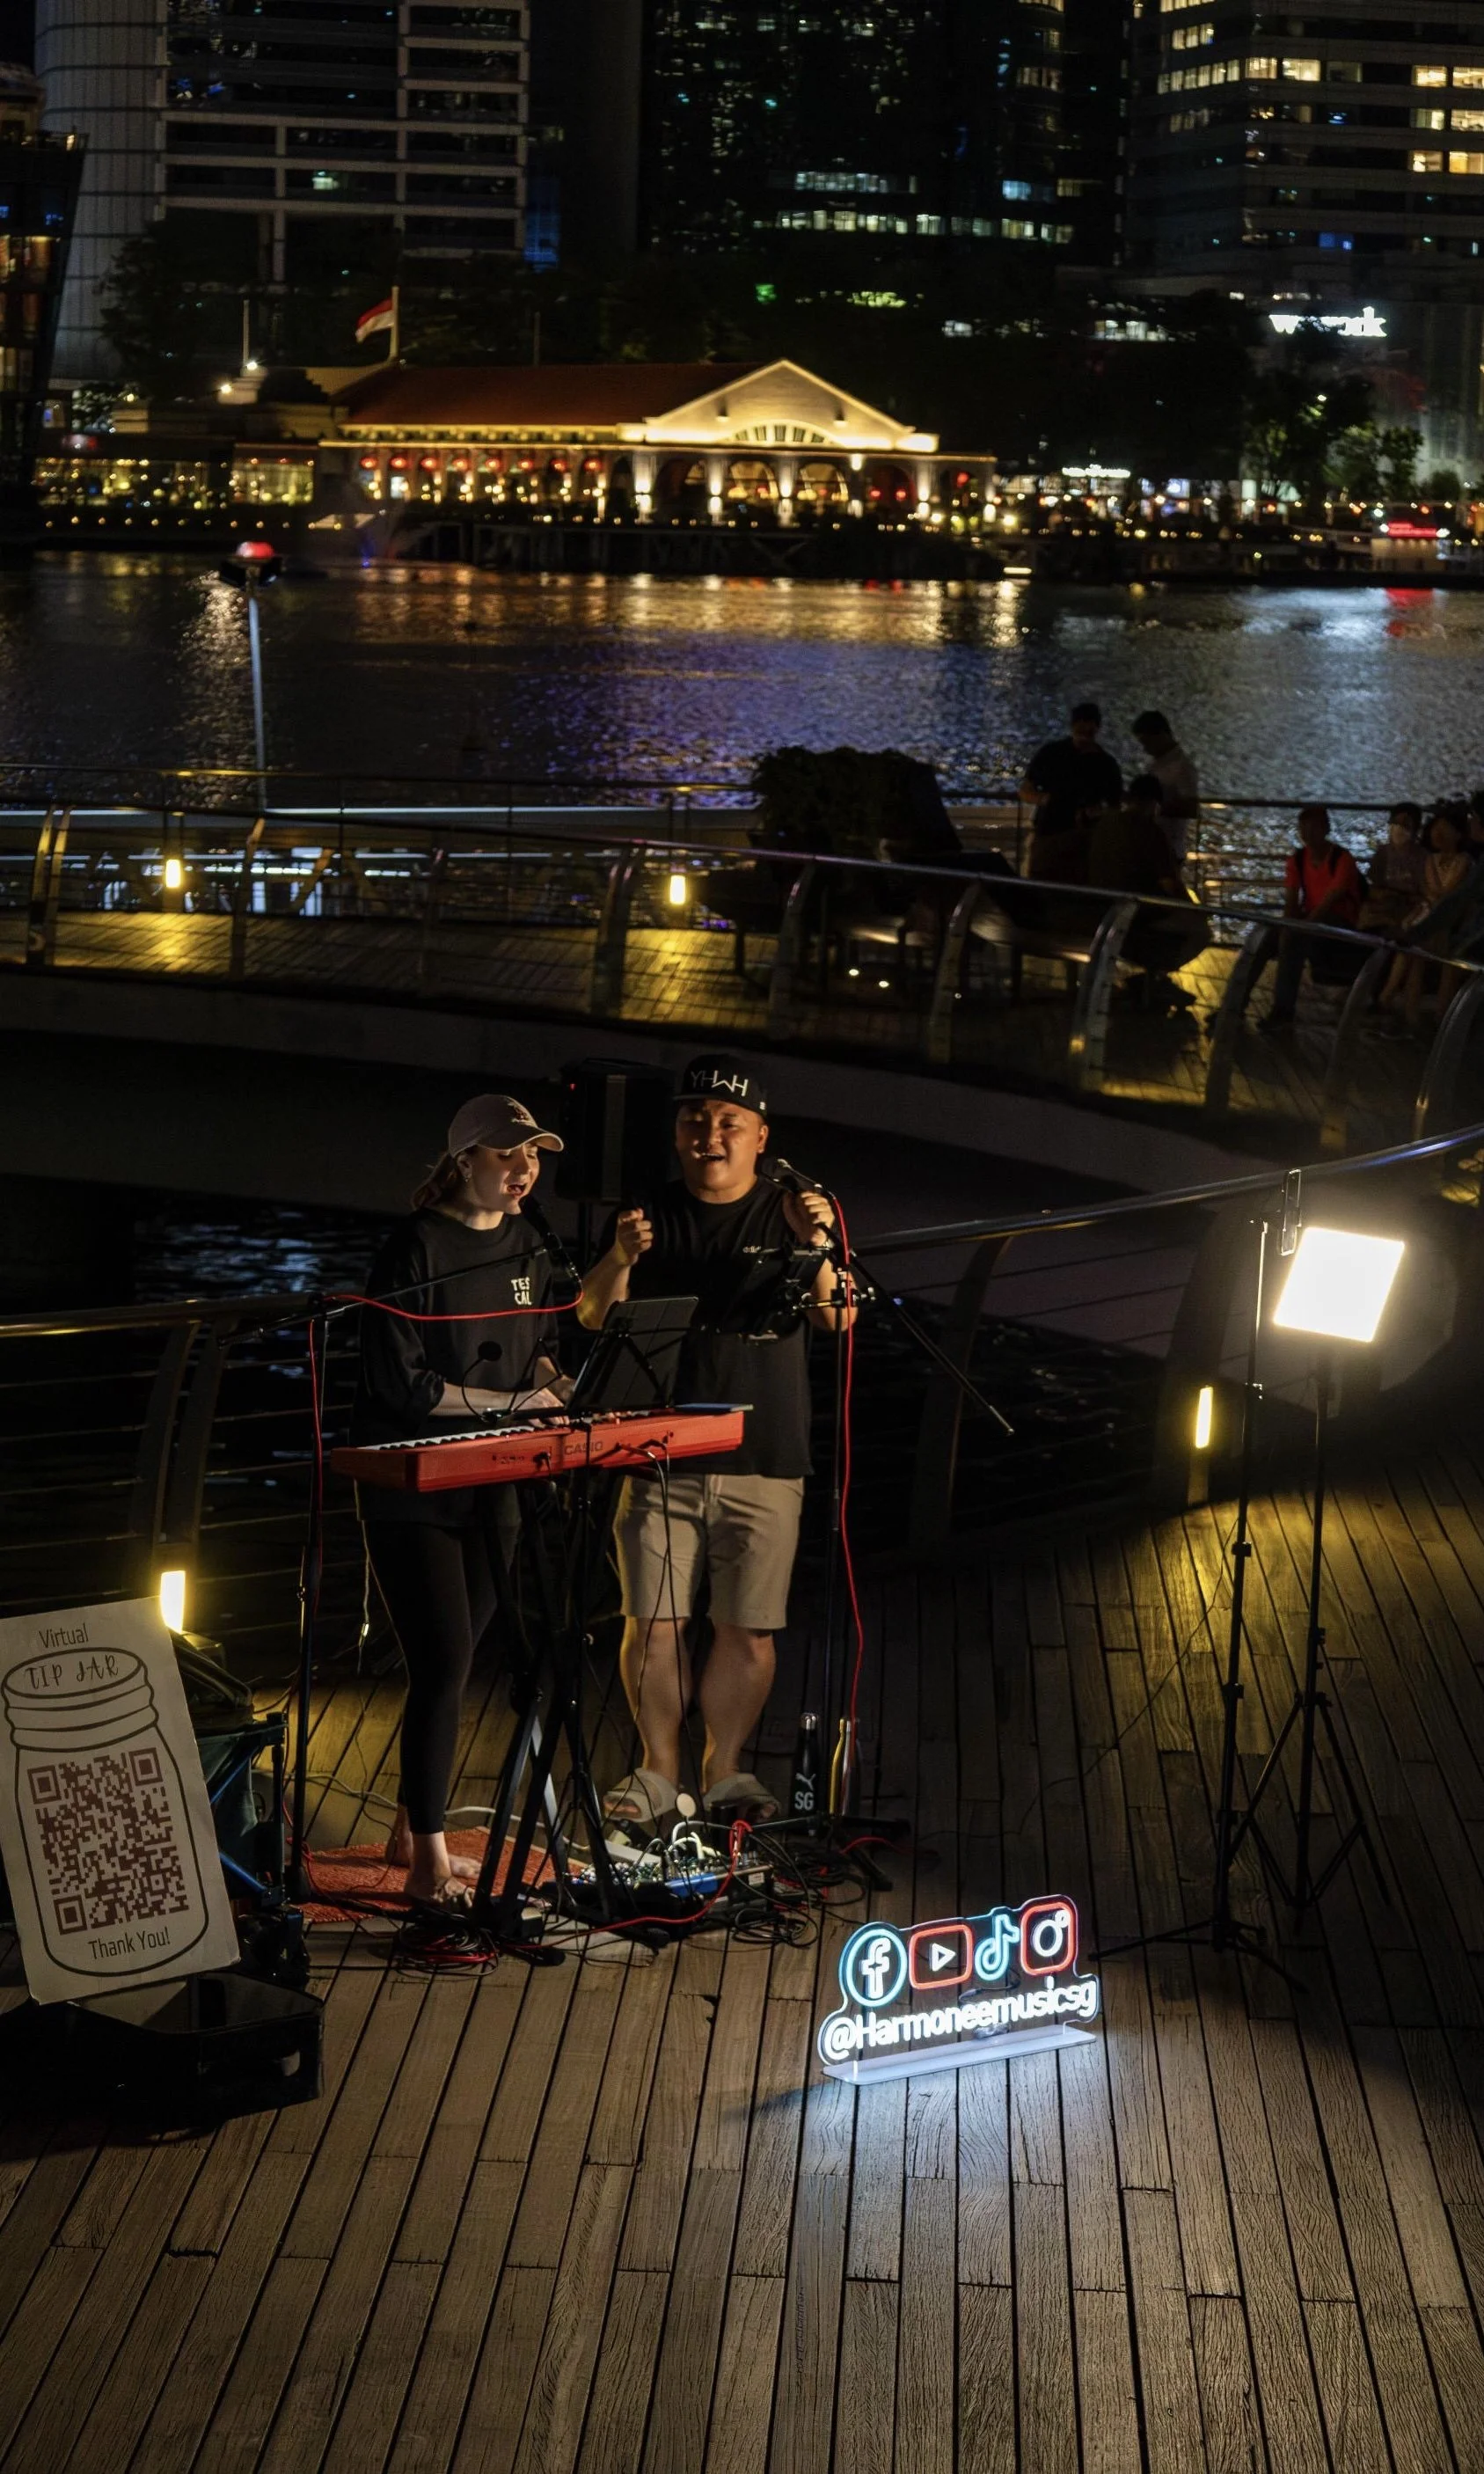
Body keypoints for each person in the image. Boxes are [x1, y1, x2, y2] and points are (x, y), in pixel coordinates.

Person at [579, 1053, 856, 1829]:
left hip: (765, 1454)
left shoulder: (790, 1212)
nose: (711, 1134)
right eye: (695, 1120)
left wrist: (818, 1242)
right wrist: (619, 1255)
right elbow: (593, 1315)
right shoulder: (646, 1213)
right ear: (676, 1134)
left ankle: (725, 1770)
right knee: (652, 1623)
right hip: (657, 1455)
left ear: (760, 1136)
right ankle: (657, 1770)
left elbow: (838, 1318)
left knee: (749, 1629)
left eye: (730, 1122)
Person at [352, 1094, 569, 1907]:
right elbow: (398, 1384)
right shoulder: (414, 1248)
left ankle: (410, 1827)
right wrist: (507, 1404)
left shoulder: (531, 1243)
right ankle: (429, 1866)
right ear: (464, 1161)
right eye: (508, 1155)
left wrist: (558, 1388)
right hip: (413, 1483)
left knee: (459, 1661)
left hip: (496, 1476)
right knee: (442, 1660)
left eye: (533, 1155)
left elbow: (539, 1347)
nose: (524, 1170)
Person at [1086, 775, 1208, 1007]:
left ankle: (1152, 979)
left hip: (1101, 906)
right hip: (1139, 912)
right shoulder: (1150, 832)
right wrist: (1192, 908)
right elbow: (1169, 884)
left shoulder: (1105, 825)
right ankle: (1156, 977)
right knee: (1200, 932)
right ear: (1154, 804)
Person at [1261, 804, 1364, 1032]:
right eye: (1304, 829)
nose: (1308, 834)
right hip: (1313, 920)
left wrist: (1296, 928)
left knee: (1293, 939)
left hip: (1341, 923)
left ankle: (1283, 1011)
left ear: (1326, 829)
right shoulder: (1297, 860)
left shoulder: (1342, 859)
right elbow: (1291, 901)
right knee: (1266, 938)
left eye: (1314, 828)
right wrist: (1287, 925)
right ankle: (1236, 1004)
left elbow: (1328, 903)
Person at [1378, 803, 1475, 1035]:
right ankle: (1408, 1013)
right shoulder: (1430, 860)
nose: (1437, 834)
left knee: (1417, 946)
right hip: (1434, 923)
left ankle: (1390, 996)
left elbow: (1445, 895)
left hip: (1451, 925)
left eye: (1445, 829)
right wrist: (1436, 898)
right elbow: (1434, 892)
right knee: (1415, 952)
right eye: (1435, 829)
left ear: (1458, 834)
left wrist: (1436, 898)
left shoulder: (1464, 861)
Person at [1020, 701, 1123, 845]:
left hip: (1071, 833)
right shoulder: (1107, 763)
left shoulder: (1051, 753)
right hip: (1061, 832)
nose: (1085, 730)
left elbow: (1026, 790)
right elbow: (1026, 790)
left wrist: (1047, 800)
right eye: (1082, 725)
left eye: (1088, 726)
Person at [1131, 711, 1200, 867]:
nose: (1145, 749)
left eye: (1147, 742)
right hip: (1153, 843)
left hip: (1169, 847)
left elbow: (1191, 808)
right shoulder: (1156, 764)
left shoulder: (1182, 768)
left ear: (1161, 735)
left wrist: (1153, 807)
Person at [1359, 803, 1426, 934]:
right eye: (1395, 823)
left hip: (1408, 906)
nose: (1399, 828)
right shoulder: (1383, 852)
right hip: (1384, 904)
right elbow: (1374, 885)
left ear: (1416, 829)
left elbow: (1424, 893)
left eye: (1405, 824)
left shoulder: (1423, 856)